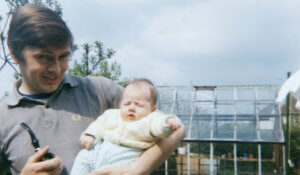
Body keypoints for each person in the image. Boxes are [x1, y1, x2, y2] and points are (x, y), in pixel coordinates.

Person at [0, 4, 185, 175]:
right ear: (14, 54)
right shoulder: (3, 117)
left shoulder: (99, 89)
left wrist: (138, 168)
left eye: (64, 56)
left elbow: (176, 129)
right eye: (44, 57)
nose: (56, 69)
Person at [71, 79, 182, 175]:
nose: (131, 108)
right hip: (100, 150)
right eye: (127, 103)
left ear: (152, 109)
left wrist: (168, 124)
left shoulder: (150, 119)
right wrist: (90, 135)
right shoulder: (112, 114)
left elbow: (159, 124)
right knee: (83, 156)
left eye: (138, 105)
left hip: (127, 155)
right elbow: (99, 124)